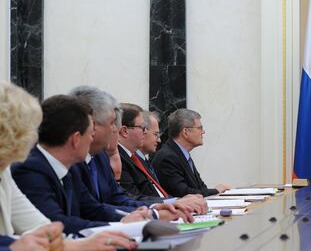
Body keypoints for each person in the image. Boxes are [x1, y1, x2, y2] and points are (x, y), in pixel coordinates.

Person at [0, 82, 135, 251]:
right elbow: (46, 231)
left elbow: (42, 227)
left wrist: (65, 244)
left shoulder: (5, 171)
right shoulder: (29, 168)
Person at [11, 95, 152, 235]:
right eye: (91, 133)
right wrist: (121, 226)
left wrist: (126, 219)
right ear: (76, 139)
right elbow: (57, 223)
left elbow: (91, 208)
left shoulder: (70, 167)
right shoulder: (30, 170)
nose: (92, 138)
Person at [68, 86, 195, 221]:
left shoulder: (100, 157)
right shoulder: (73, 161)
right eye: (112, 123)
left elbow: (116, 199)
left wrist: (156, 208)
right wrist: (154, 214)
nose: (114, 129)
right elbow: (88, 212)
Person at [117, 104, 207, 214]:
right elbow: (131, 198)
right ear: (124, 131)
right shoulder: (119, 158)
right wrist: (175, 202)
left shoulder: (136, 158)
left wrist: (178, 202)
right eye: (142, 128)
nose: (145, 133)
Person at [152, 108, 230, 197]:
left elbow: (201, 188)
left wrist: (213, 191)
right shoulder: (168, 157)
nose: (203, 132)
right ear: (186, 132)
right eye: (200, 128)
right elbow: (183, 192)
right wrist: (216, 190)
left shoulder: (182, 154)